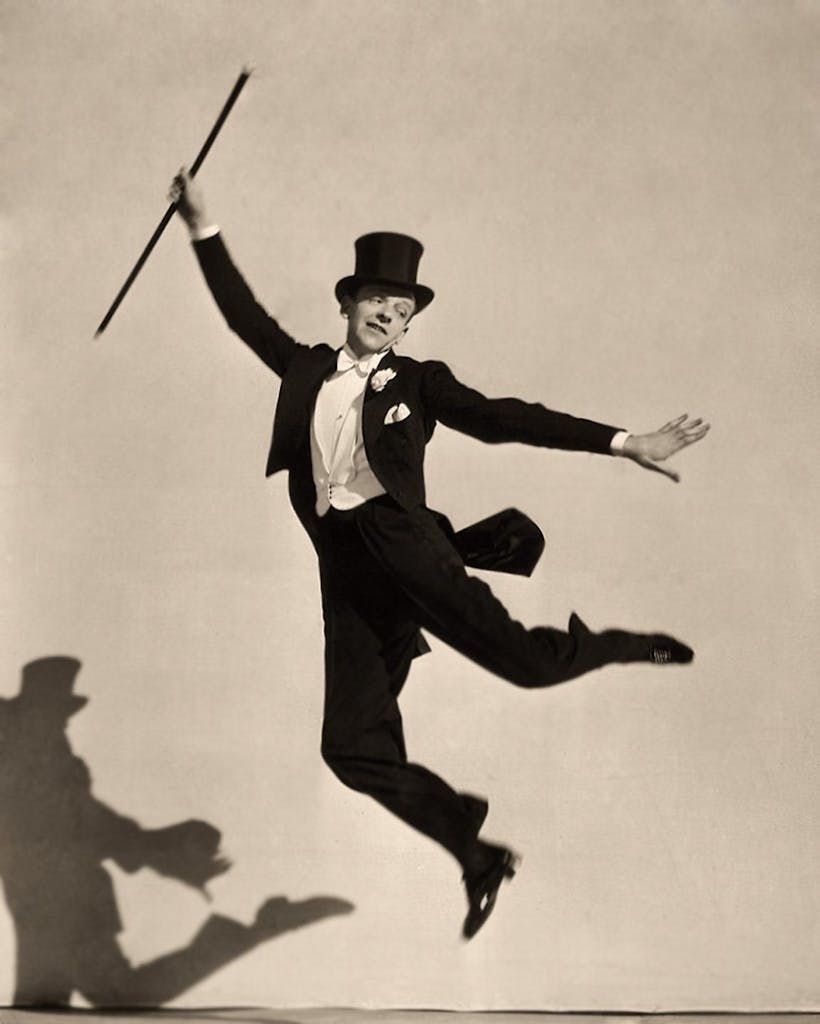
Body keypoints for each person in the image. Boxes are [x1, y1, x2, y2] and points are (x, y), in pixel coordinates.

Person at [169, 169, 709, 939]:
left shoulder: (418, 383)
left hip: (411, 552)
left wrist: (623, 442)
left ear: (409, 325)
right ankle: (474, 850)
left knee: (528, 667)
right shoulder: (306, 368)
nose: (389, 316)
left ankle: (617, 644)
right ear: (347, 303)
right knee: (350, 749)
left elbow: (506, 418)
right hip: (347, 575)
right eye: (377, 302)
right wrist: (200, 223)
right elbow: (241, 316)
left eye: (403, 310)